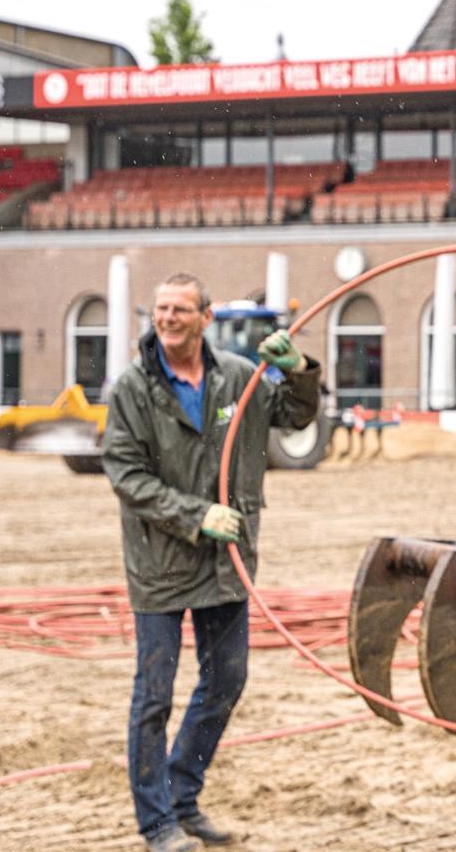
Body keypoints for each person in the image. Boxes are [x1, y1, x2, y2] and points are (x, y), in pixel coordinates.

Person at [103, 273, 321, 852]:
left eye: (179, 309)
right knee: (154, 695)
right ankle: (156, 823)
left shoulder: (236, 377)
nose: (167, 318)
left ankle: (182, 795)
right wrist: (194, 514)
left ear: (205, 317)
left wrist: (298, 370)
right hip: (161, 562)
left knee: (227, 679)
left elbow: (295, 418)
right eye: (160, 309)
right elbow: (126, 474)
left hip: (225, 563)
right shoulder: (131, 388)